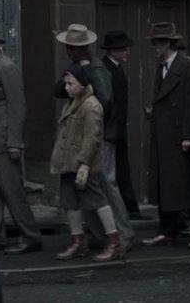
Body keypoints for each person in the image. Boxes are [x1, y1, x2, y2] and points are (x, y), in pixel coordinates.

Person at [53, 24, 134, 249]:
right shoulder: (77, 67)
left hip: (100, 133)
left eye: (74, 48)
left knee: (106, 182)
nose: (71, 51)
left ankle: (123, 234)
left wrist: (93, 125)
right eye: (69, 47)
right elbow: (58, 90)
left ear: (84, 48)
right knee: (88, 184)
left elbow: (105, 101)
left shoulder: (97, 68)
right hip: (84, 133)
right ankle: (101, 235)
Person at [141, 22, 190, 247]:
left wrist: (188, 135)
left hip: (178, 137)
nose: (155, 48)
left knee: (186, 186)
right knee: (165, 185)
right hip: (164, 135)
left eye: (157, 43)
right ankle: (167, 230)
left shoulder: (187, 67)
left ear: (167, 44)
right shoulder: (163, 67)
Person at [52, 65, 123, 262]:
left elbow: (92, 138)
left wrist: (84, 165)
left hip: (84, 164)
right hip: (68, 163)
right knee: (70, 202)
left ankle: (114, 242)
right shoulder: (71, 103)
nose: (66, 87)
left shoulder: (91, 106)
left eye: (70, 83)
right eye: (66, 83)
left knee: (97, 201)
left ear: (82, 84)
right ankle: (78, 242)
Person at [0, 25, 41, 254]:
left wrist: (15, 142)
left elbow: (18, 106)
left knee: (12, 192)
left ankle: (30, 235)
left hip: (4, 141)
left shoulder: (6, 67)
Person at [101, 30, 146, 220]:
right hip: (110, 129)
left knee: (121, 169)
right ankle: (120, 213)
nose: (127, 52)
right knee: (110, 174)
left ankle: (129, 209)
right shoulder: (106, 69)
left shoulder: (116, 67)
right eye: (123, 49)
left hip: (117, 129)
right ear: (113, 50)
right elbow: (106, 101)